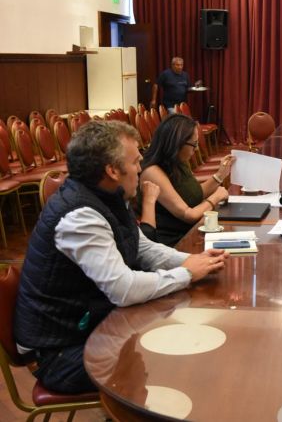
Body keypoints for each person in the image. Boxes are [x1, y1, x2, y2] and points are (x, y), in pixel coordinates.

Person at [14, 120, 228, 394]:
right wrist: (186, 273)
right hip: (61, 352)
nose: (141, 168)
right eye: (136, 161)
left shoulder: (108, 196)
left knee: (179, 335)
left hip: (90, 326)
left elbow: (143, 248)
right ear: (112, 170)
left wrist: (193, 261)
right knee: (170, 360)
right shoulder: (79, 217)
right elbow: (123, 289)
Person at [139, 114, 234, 247]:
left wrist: (220, 175)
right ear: (177, 144)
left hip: (192, 231)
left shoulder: (177, 160)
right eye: (194, 144)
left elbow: (194, 194)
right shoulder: (152, 172)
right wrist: (215, 198)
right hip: (174, 242)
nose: (197, 149)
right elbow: (188, 215)